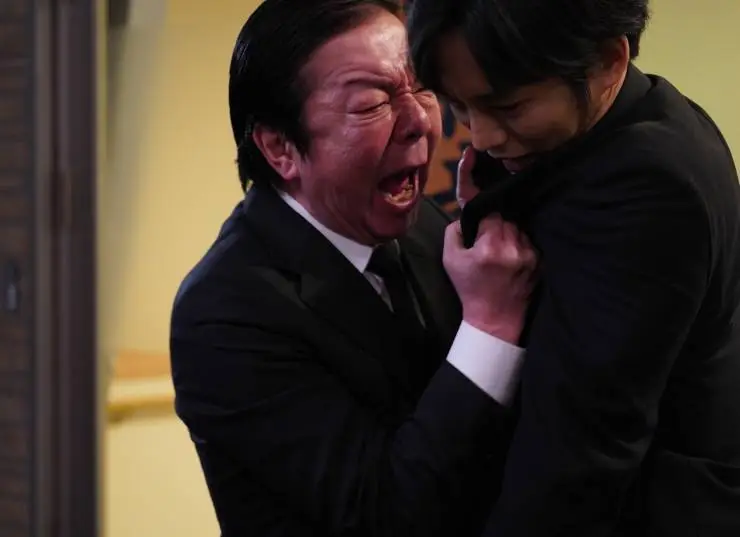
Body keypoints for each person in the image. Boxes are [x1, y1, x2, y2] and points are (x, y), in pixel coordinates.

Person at [170, 1, 537, 536]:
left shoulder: (422, 224)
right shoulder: (225, 313)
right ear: (280, 147)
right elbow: (383, 512)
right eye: (372, 104)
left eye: (422, 87)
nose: (421, 121)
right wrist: (490, 325)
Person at [406, 0, 740, 535]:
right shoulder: (649, 114)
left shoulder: (647, 185)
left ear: (608, 60)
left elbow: (577, 456)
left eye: (509, 106)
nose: (481, 136)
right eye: (459, 106)